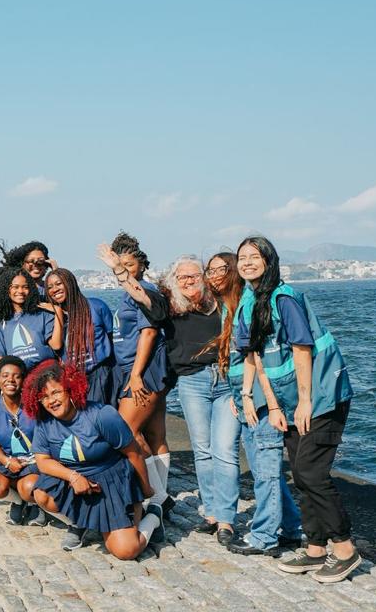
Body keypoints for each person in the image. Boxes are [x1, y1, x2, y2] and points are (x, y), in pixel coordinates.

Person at [235, 236, 360, 583]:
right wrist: (270, 404)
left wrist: (305, 401)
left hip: (322, 395)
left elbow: (302, 349)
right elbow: (256, 357)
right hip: (288, 401)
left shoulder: (283, 298)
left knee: (311, 472)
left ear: (268, 260)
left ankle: (346, 549)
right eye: (242, 257)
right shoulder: (249, 301)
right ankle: (316, 548)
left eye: (254, 256)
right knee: (299, 473)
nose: (246, 262)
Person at [212, 252, 302, 558]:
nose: (215, 276)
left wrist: (253, 396)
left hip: (262, 398)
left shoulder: (257, 303)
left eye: (222, 270)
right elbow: (239, 360)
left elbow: (258, 356)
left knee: (265, 470)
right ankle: (292, 527)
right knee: (267, 470)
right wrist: (240, 393)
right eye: (242, 259)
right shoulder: (238, 307)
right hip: (246, 394)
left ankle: (264, 535)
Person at [26, 361, 163, 558]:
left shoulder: (102, 415)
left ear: (70, 389)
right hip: (78, 481)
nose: (51, 401)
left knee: (126, 551)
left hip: (112, 481)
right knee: (41, 494)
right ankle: (81, 522)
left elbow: (134, 453)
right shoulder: (44, 422)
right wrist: (72, 476)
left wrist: (144, 490)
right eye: (44, 397)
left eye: (56, 392)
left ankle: (154, 515)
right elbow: (43, 461)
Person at [160, 256, 239, 546]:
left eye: (194, 275)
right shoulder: (172, 308)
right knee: (203, 451)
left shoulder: (222, 304)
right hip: (192, 382)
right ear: (174, 282)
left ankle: (227, 520)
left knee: (226, 450)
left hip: (226, 379)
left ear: (204, 277)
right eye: (182, 277)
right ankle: (212, 513)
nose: (188, 281)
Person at [96, 232, 173, 513]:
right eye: (120, 266)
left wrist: (136, 374)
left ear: (141, 265)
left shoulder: (144, 291)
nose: (125, 271)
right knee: (155, 436)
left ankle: (157, 497)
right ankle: (162, 497)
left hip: (144, 371)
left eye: (129, 265)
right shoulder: (130, 293)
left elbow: (150, 332)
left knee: (126, 432)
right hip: (137, 369)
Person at [0, 356, 44, 526]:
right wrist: (7, 461)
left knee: (30, 487)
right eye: (5, 375)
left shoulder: (35, 406)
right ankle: (17, 501)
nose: (11, 380)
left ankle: (34, 503)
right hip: (7, 460)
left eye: (16, 376)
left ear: (23, 380)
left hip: (34, 461)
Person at [43, 268, 116, 406]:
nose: (54, 289)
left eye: (59, 284)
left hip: (100, 373)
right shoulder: (51, 317)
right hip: (73, 378)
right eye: (50, 287)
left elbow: (113, 340)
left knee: (98, 418)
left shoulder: (96, 306)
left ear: (70, 283)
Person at [0, 266, 62, 368]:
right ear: (6, 290)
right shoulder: (4, 324)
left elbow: (56, 345)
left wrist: (58, 312)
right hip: (21, 377)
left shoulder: (42, 314)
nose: (21, 291)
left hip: (46, 374)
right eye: (15, 287)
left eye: (25, 287)